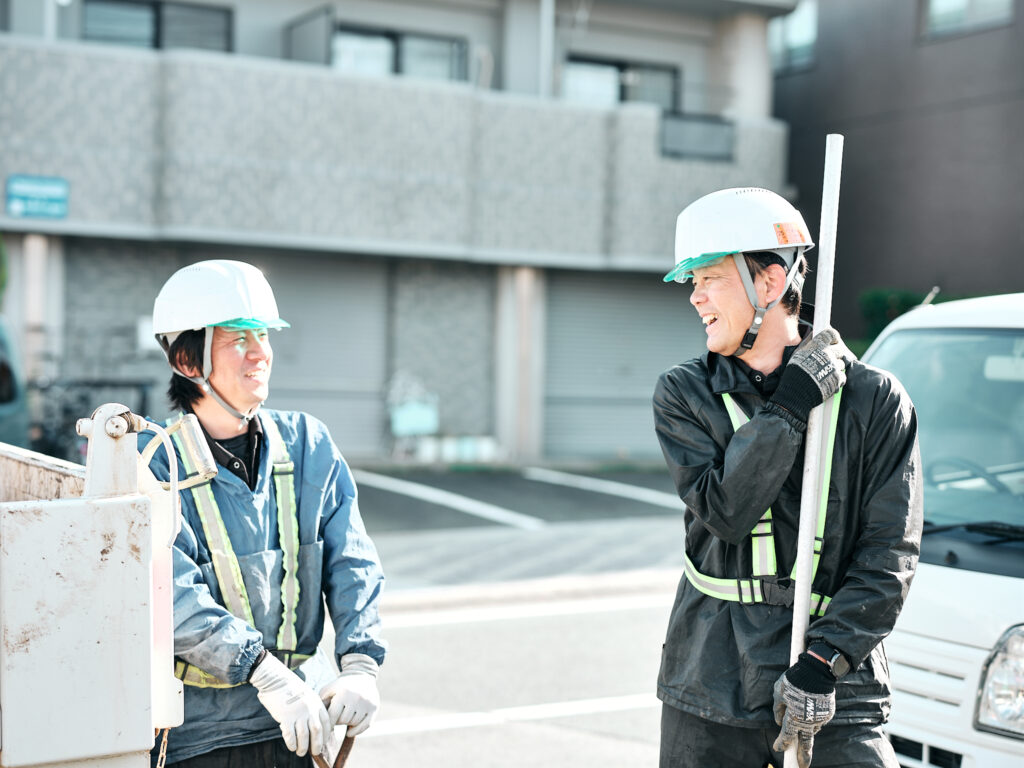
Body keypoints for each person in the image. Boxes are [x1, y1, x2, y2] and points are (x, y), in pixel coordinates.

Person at [653, 188, 923, 768]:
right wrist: (793, 404)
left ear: (770, 282)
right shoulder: (685, 393)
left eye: (709, 277)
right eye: (692, 281)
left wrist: (823, 663)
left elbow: (889, 552)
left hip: (836, 681)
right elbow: (726, 513)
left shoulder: (875, 400)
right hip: (711, 679)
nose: (695, 296)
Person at [145, 259, 386, 766]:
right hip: (201, 738)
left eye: (264, 335)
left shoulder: (307, 443)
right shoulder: (156, 462)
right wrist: (263, 671)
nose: (261, 353)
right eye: (239, 339)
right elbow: (169, 594)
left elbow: (353, 561)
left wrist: (361, 662)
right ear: (188, 361)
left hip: (300, 724)